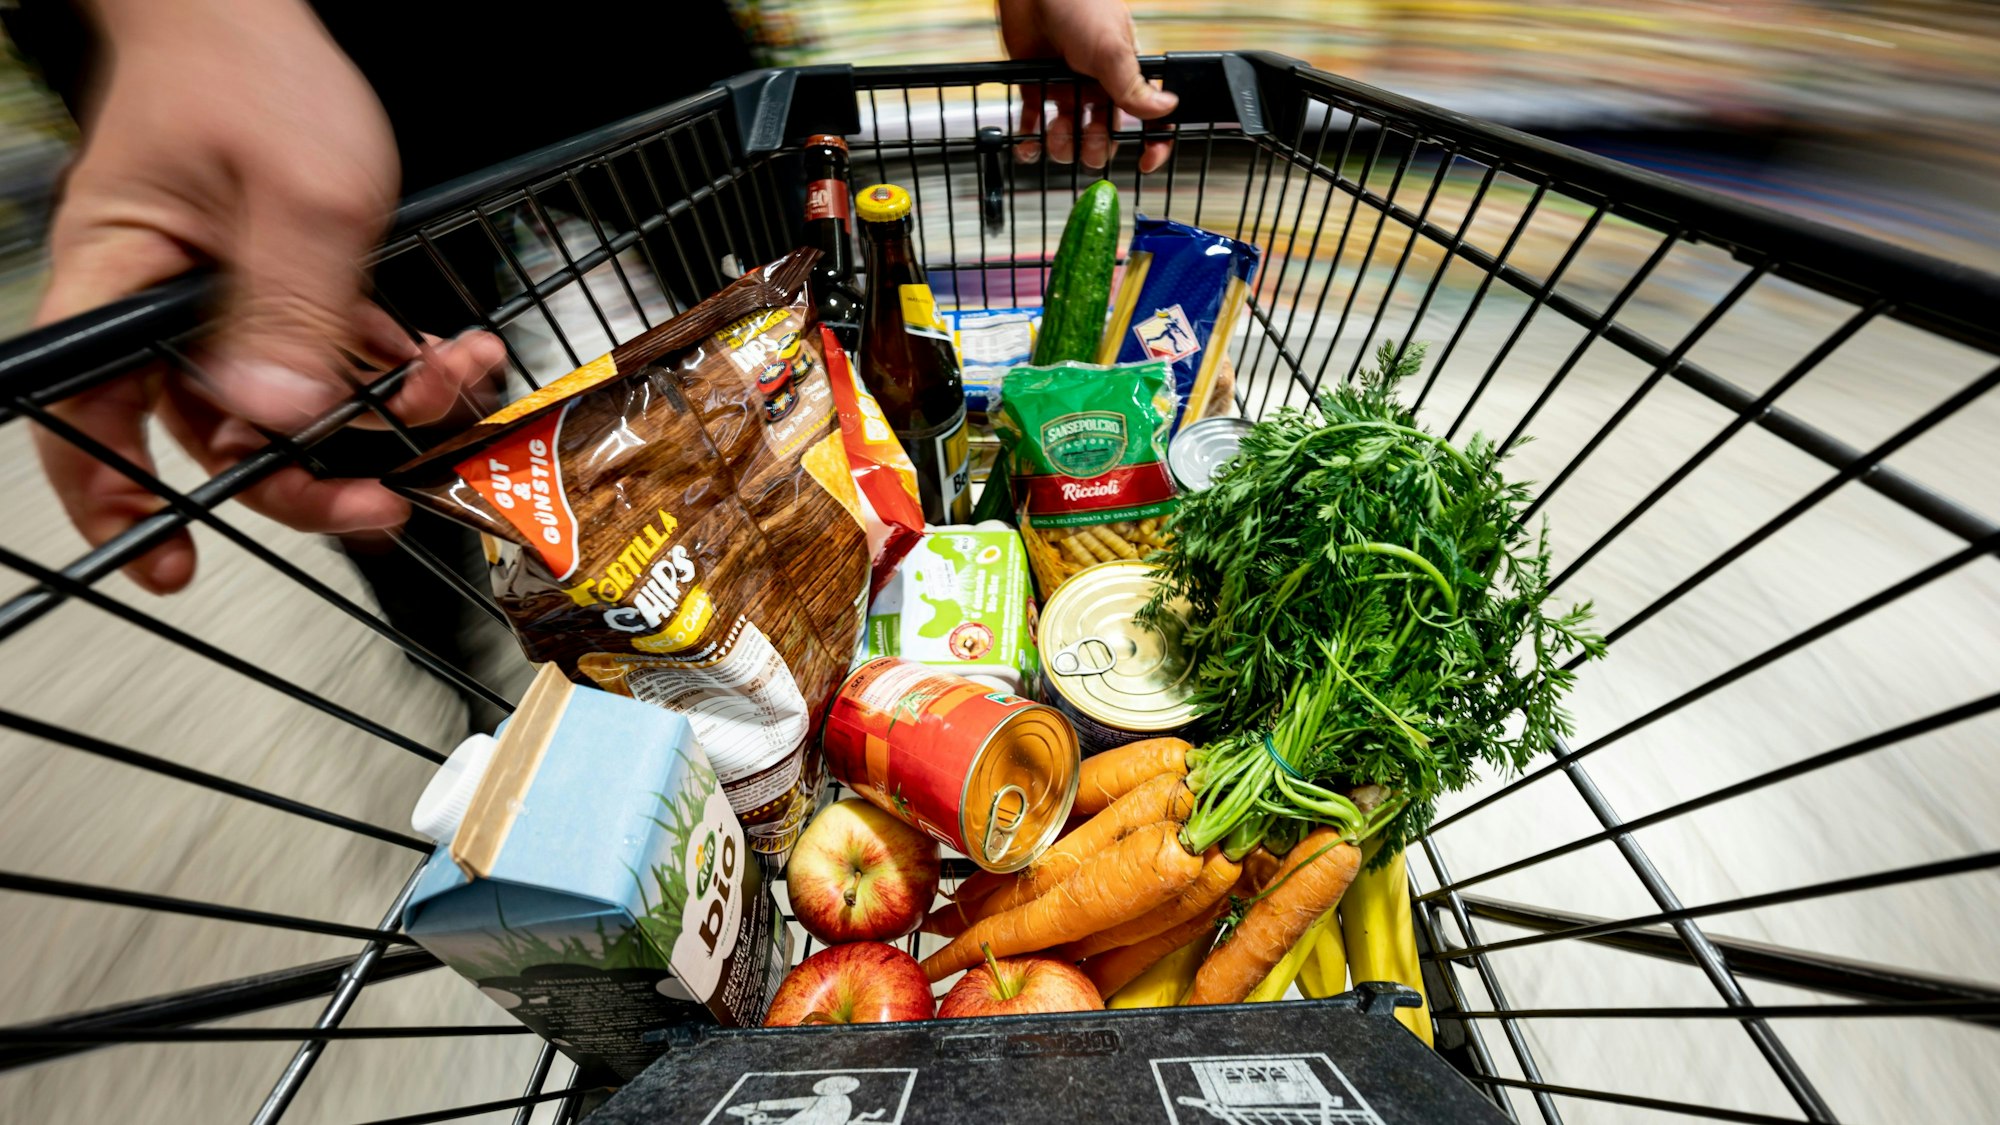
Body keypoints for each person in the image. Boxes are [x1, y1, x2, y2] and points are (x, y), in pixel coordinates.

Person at [10, 0, 1179, 596]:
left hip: (619, 29)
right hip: (263, 53)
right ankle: (498, 690)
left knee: (785, 300)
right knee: (379, 429)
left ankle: (827, 556)